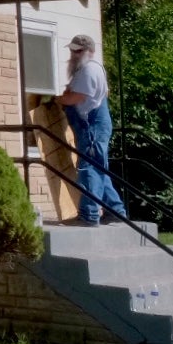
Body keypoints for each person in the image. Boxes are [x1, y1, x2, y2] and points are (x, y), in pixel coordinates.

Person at [56, 33, 127, 226]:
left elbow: (76, 98)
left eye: (78, 51)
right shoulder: (88, 69)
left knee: (89, 169)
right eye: (72, 50)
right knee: (98, 168)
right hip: (94, 124)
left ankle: (89, 215)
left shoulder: (88, 70)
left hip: (92, 126)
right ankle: (116, 212)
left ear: (89, 52)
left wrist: (58, 100)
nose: (73, 54)